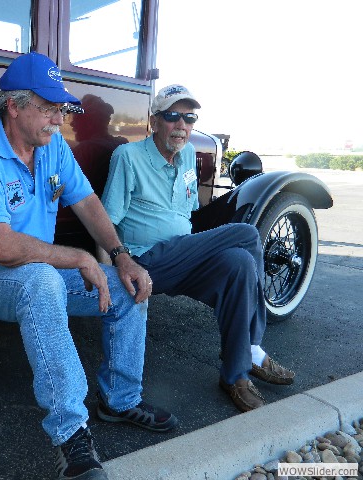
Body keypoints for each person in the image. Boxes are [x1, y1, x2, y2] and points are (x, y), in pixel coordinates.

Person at [0, 52, 177, 480]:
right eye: (49, 109)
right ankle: (71, 435)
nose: (59, 119)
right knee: (41, 281)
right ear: (14, 107)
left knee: (126, 285)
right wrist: (76, 256)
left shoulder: (53, 149)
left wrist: (121, 256)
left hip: (41, 272)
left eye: (61, 109)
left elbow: (88, 203)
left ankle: (121, 400)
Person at [100, 84, 295, 414]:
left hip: (183, 256)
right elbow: (106, 221)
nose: (182, 126)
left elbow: (187, 211)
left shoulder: (188, 154)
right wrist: (106, 274)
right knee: (247, 235)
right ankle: (252, 347)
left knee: (238, 262)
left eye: (189, 118)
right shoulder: (128, 157)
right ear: (154, 122)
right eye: (173, 116)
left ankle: (235, 375)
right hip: (145, 260)